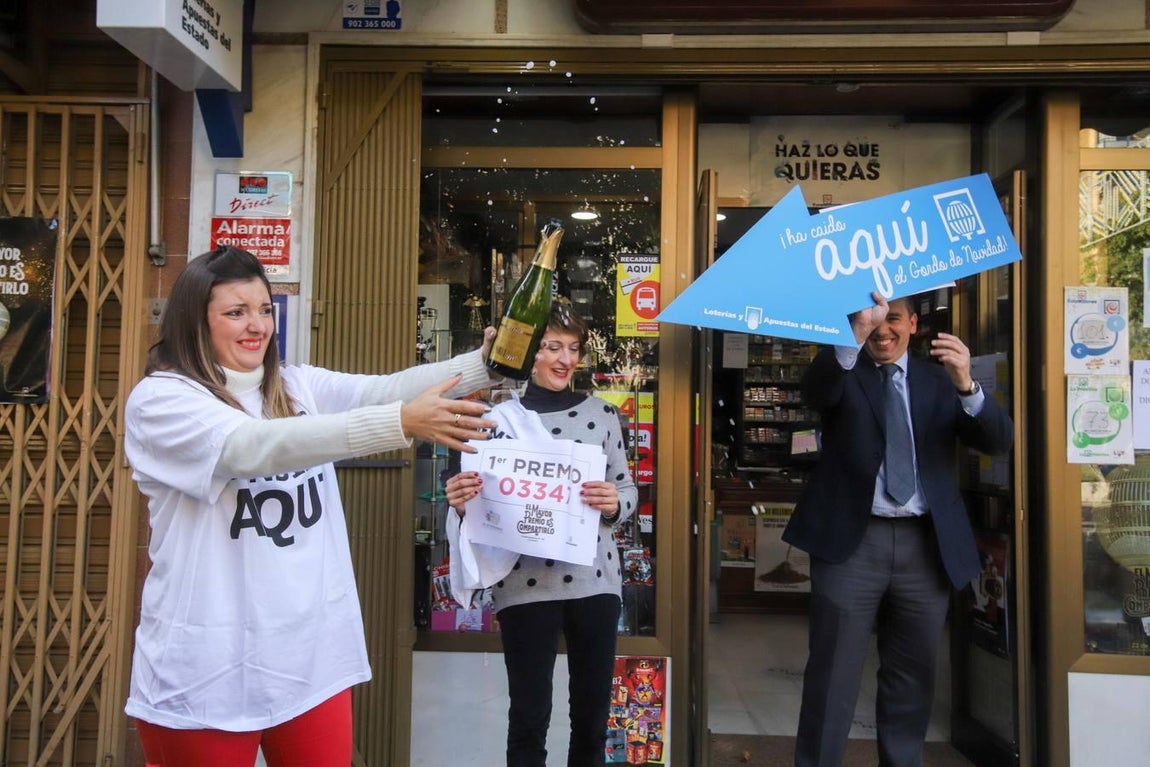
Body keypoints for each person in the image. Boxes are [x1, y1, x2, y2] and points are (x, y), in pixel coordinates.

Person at [122, 245, 499, 767]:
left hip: (310, 662)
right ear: (194, 321)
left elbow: (386, 389)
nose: (257, 325)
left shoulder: (295, 385)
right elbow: (250, 448)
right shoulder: (162, 400)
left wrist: (485, 364)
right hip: (205, 672)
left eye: (263, 309)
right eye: (236, 312)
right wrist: (397, 424)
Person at [783, 292, 1013, 767]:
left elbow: (998, 441)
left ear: (913, 324)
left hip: (924, 547)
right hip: (851, 546)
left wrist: (967, 384)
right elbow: (815, 393)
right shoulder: (844, 370)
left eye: (892, 318)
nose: (882, 329)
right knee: (832, 675)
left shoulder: (940, 380)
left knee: (912, 679)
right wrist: (853, 333)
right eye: (872, 319)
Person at [444, 304, 638, 767]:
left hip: (595, 581)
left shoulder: (603, 415)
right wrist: (460, 499)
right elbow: (474, 501)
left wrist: (615, 502)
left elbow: (627, 488)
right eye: (552, 347)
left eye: (573, 348)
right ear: (530, 353)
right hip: (524, 585)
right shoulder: (496, 420)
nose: (565, 359)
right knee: (529, 718)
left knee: (592, 718)